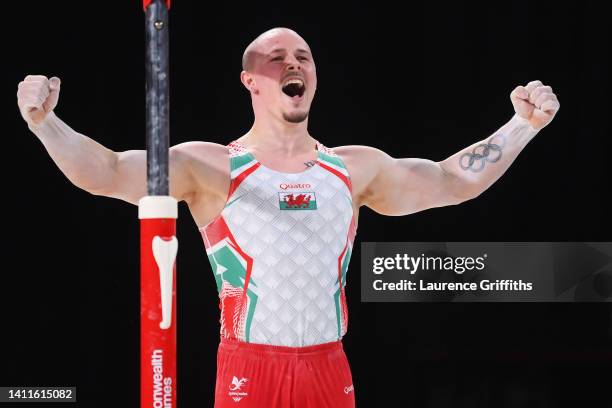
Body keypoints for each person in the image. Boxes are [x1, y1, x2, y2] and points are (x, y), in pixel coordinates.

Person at [16, 27, 559, 408]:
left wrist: (522, 126)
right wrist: (45, 123)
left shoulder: (354, 168)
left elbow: (451, 181)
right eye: (278, 58)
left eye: (303, 55)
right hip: (249, 370)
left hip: (330, 368)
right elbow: (106, 171)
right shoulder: (210, 167)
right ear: (251, 81)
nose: (294, 64)